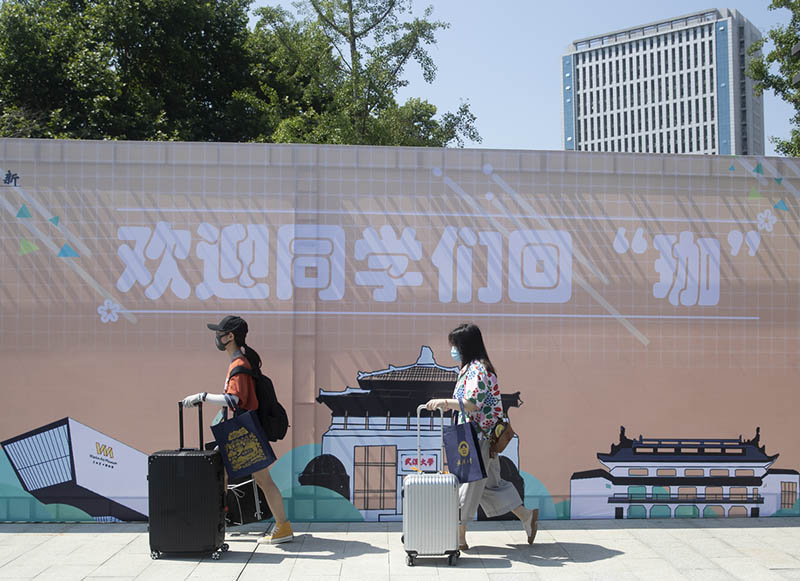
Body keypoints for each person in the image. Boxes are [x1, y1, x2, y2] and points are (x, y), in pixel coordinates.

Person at [182, 315, 293, 544]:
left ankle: (281, 527)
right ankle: (221, 522)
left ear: (229, 336)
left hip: (243, 434)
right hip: (243, 431)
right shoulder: (240, 362)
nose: (217, 337)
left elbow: (234, 400)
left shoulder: (240, 365)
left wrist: (202, 397)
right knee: (228, 475)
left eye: (219, 333)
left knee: (262, 480)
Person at [425, 323, 538, 551]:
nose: (452, 350)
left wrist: (443, 403)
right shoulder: (470, 368)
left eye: (455, 345)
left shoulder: (478, 370)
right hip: (477, 436)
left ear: (465, 346)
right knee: (490, 485)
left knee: (470, 483)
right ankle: (526, 516)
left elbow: (472, 404)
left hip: (477, 437)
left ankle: (459, 535)